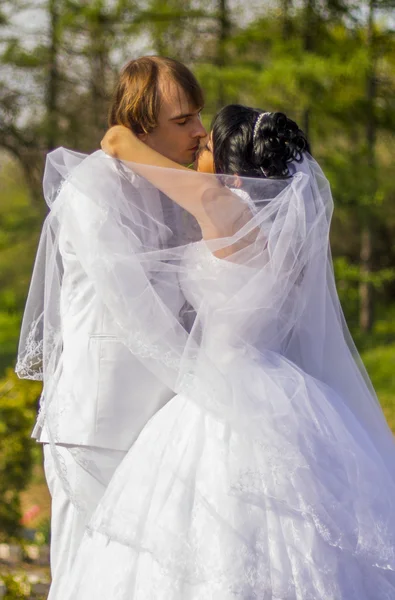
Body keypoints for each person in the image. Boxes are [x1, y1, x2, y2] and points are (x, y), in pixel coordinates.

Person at [53, 105, 395, 598]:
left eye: (209, 146)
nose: (198, 150)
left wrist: (123, 141)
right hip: (282, 386)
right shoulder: (287, 227)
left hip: (222, 390)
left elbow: (194, 186)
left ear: (234, 167)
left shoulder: (226, 209)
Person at [15, 55, 206, 598]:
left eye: (198, 116)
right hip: (98, 422)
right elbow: (135, 310)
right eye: (182, 120)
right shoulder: (91, 192)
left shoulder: (174, 188)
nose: (198, 131)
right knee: (86, 570)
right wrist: (213, 386)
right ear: (141, 124)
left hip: (162, 417)